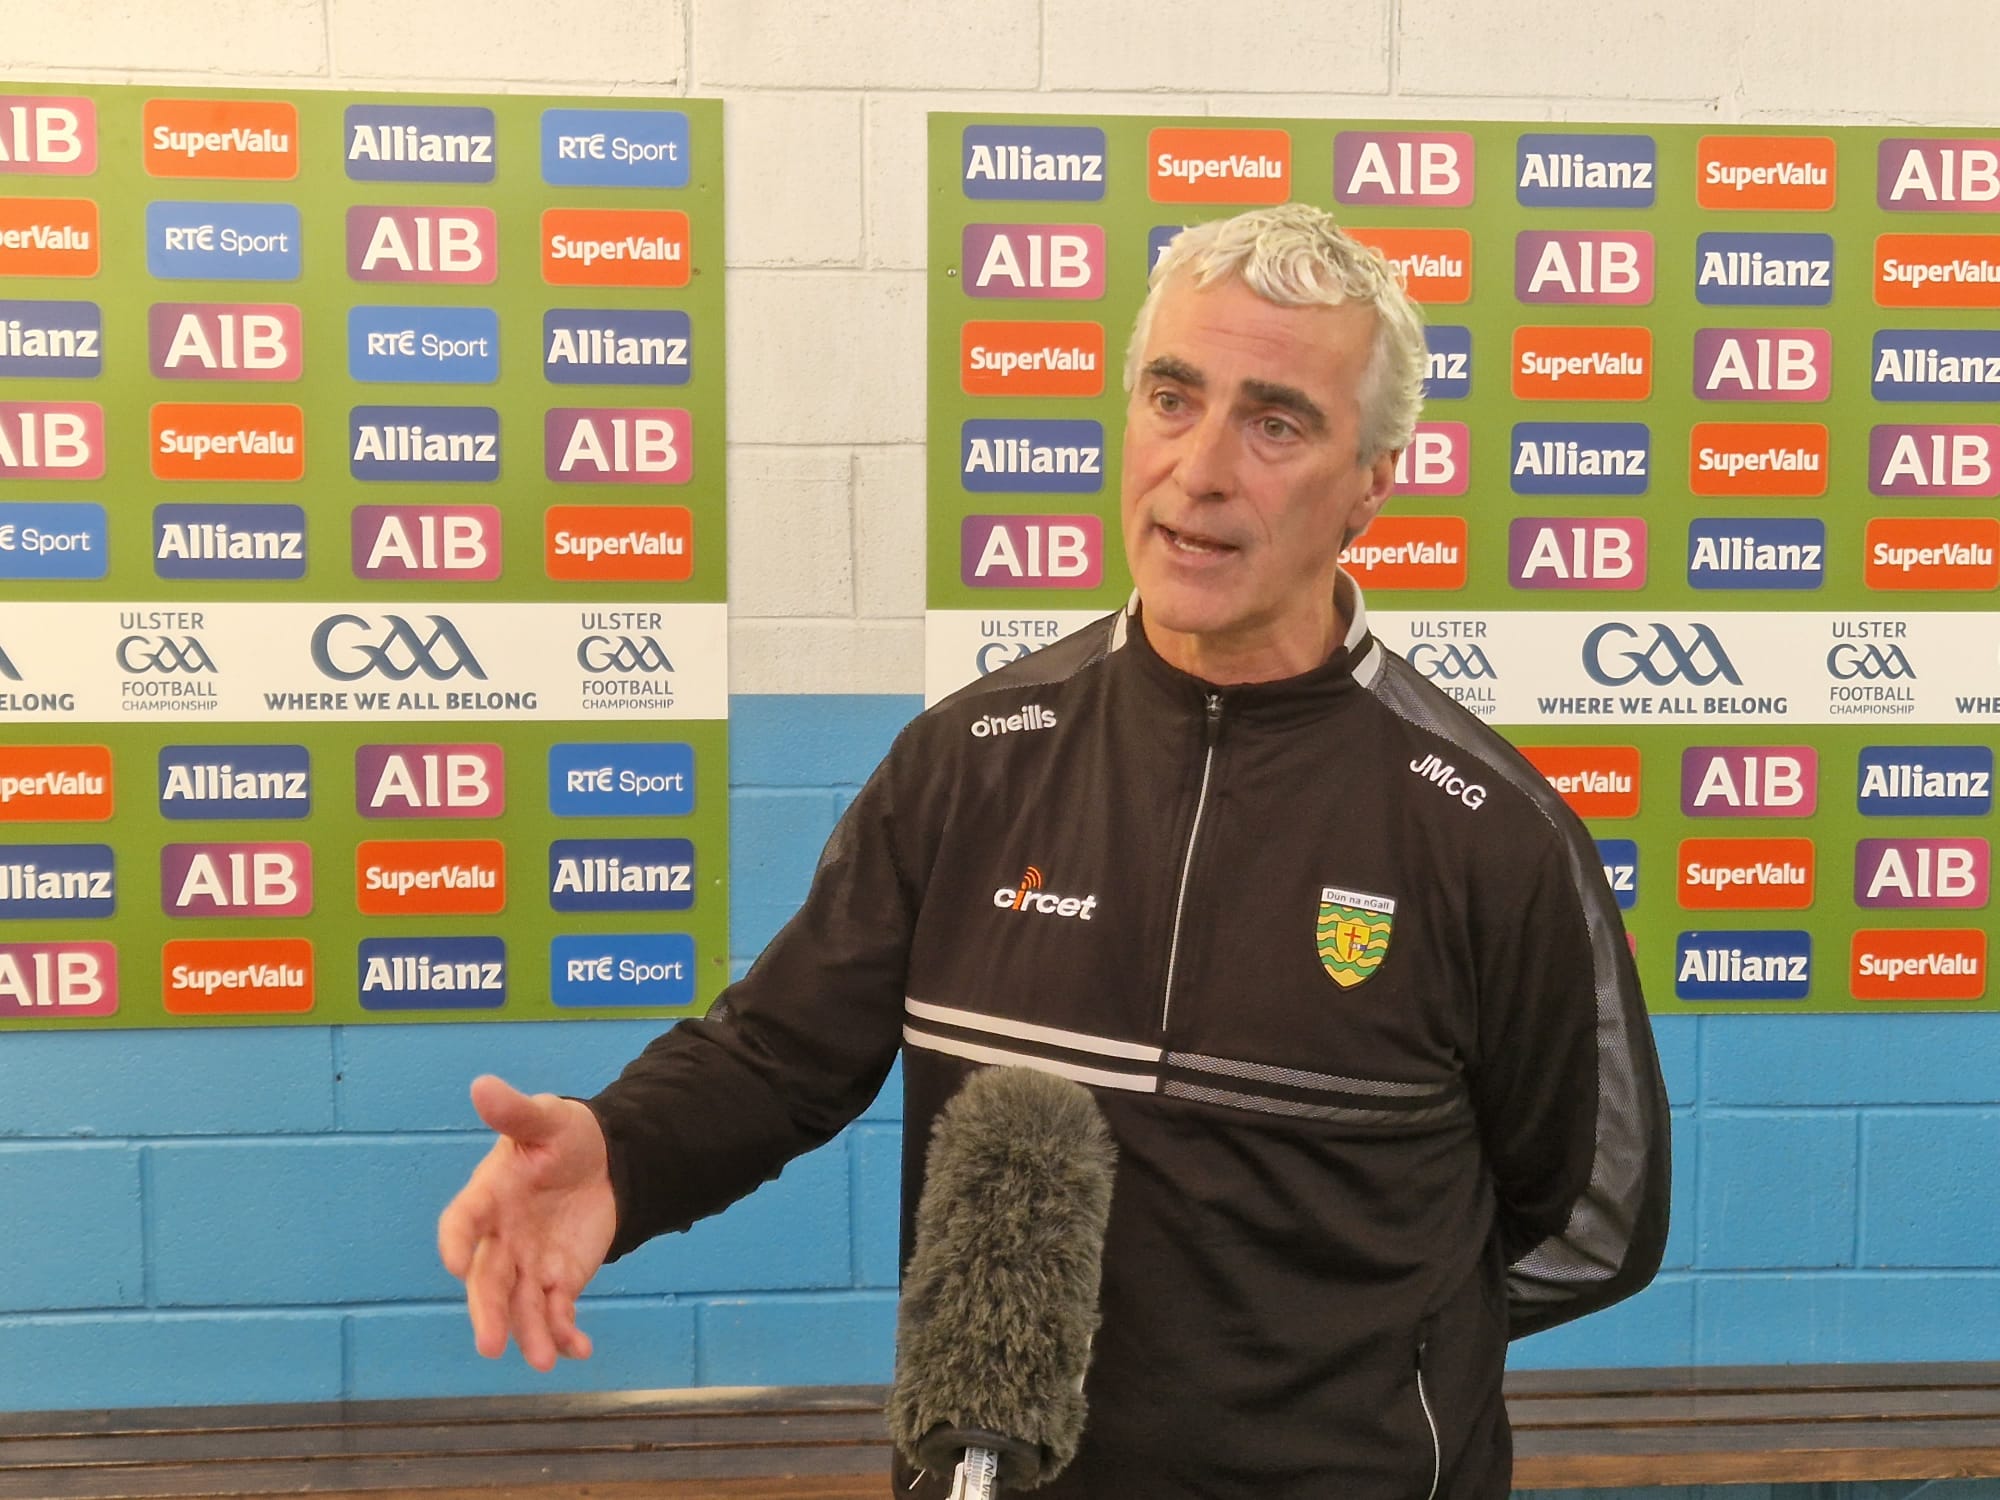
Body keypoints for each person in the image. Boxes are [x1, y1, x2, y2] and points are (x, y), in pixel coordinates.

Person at [439, 203, 1670, 1499]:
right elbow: (779, 1054)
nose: (1201, 468)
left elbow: (1594, 1215)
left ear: (1373, 479)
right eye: (1173, 398)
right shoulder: (968, 760)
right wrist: (621, 1150)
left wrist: (1365, 1344)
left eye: (1276, 423)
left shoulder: (1492, 833)